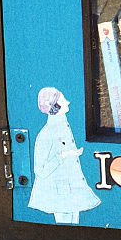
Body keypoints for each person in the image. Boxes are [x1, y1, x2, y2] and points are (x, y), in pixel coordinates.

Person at [27, 87, 101, 224]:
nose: (67, 102)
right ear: (55, 107)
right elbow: (40, 170)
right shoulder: (46, 134)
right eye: (62, 100)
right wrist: (64, 155)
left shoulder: (63, 126)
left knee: (76, 227)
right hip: (59, 192)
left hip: (72, 187)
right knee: (65, 229)